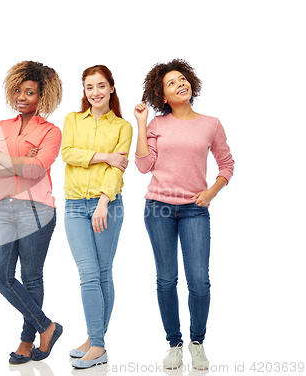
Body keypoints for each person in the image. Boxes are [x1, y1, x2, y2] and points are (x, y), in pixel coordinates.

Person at [134, 59, 235, 370]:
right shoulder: (156, 125)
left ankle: (197, 342)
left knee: (199, 282)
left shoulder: (211, 123)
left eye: (182, 79)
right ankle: (174, 344)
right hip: (159, 209)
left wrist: (211, 192)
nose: (180, 84)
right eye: (171, 83)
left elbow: (227, 165)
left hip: (195, 210)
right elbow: (142, 166)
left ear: (191, 82)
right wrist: (141, 124)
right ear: (163, 96)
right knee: (166, 280)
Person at [0, 61, 63, 364]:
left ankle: (27, 341)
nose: (22, 97)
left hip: (37, 209)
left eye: (30, 93)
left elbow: (37, 170)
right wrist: (21, 159)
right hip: (4, 207)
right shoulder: (0, 126)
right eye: (18, 91)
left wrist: (4, 160)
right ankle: (47, 326)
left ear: (42, 98)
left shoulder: (51, 131)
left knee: (31, 277)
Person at [62, 65, 133, 369]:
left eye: (101, 86)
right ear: (84, 91)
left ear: (111, 88)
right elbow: (68, 153)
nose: (95, 93)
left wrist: (105, 200)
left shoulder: (123, 127)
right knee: (88, 273)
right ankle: (96, 341)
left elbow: (119, 170)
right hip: (75, 205)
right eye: (89, 87)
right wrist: (104, 156)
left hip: (108, 204)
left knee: (103, 272)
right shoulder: (72, 120)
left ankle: (97, 343)